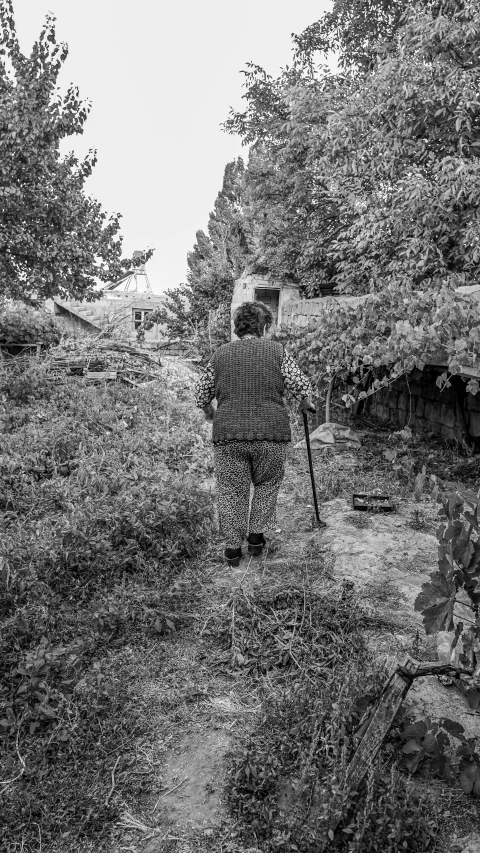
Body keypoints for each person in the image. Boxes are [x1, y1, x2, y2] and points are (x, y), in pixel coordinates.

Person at [194, 300, 325, 566]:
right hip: (271, 435)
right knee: (266, 485)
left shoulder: (220, 354)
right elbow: (300, 385)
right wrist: (305, 401)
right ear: (264, 326)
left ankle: (232, 552)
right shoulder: (277, 351)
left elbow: (201, 395)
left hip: (228, 436)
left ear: (238, 328)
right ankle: (255, 540)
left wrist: (210, 412)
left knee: (232, 491)